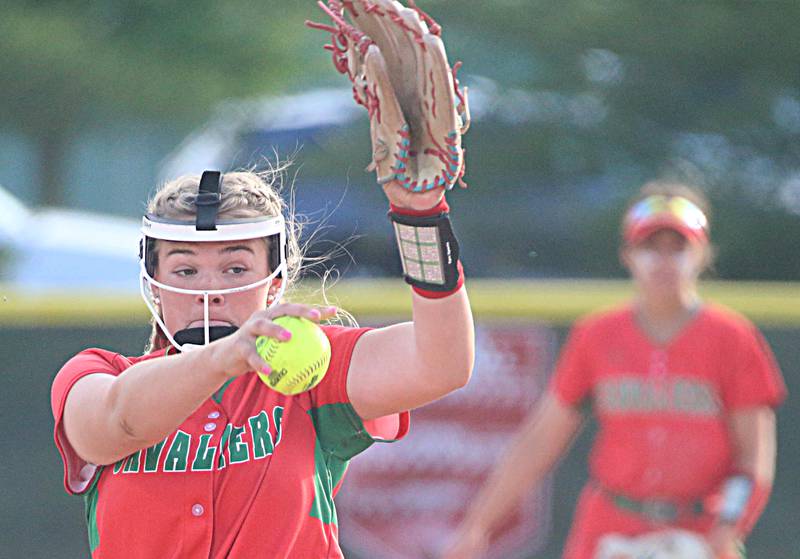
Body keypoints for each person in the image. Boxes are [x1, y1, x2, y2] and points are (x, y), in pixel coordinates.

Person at [50, 166, 474, 558]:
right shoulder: (100, 373)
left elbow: (441, 362)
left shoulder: (311, 368)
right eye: (185, 270)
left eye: (236, 268)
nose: (211, 289)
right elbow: (114, 425)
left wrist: (420, 217)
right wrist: (224, 357)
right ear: (153, 284)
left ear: (273, 285)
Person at [444, 181, 786, 559]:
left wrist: (729, 527)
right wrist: (479, 524)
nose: (663, 260)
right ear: (628, 254)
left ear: (702, 253)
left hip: (699, 529)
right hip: (611, 525)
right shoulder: (597, 335)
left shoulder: (733, 337)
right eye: (650, 247)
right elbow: (539, 441)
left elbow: (753, 458)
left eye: (678, 247)